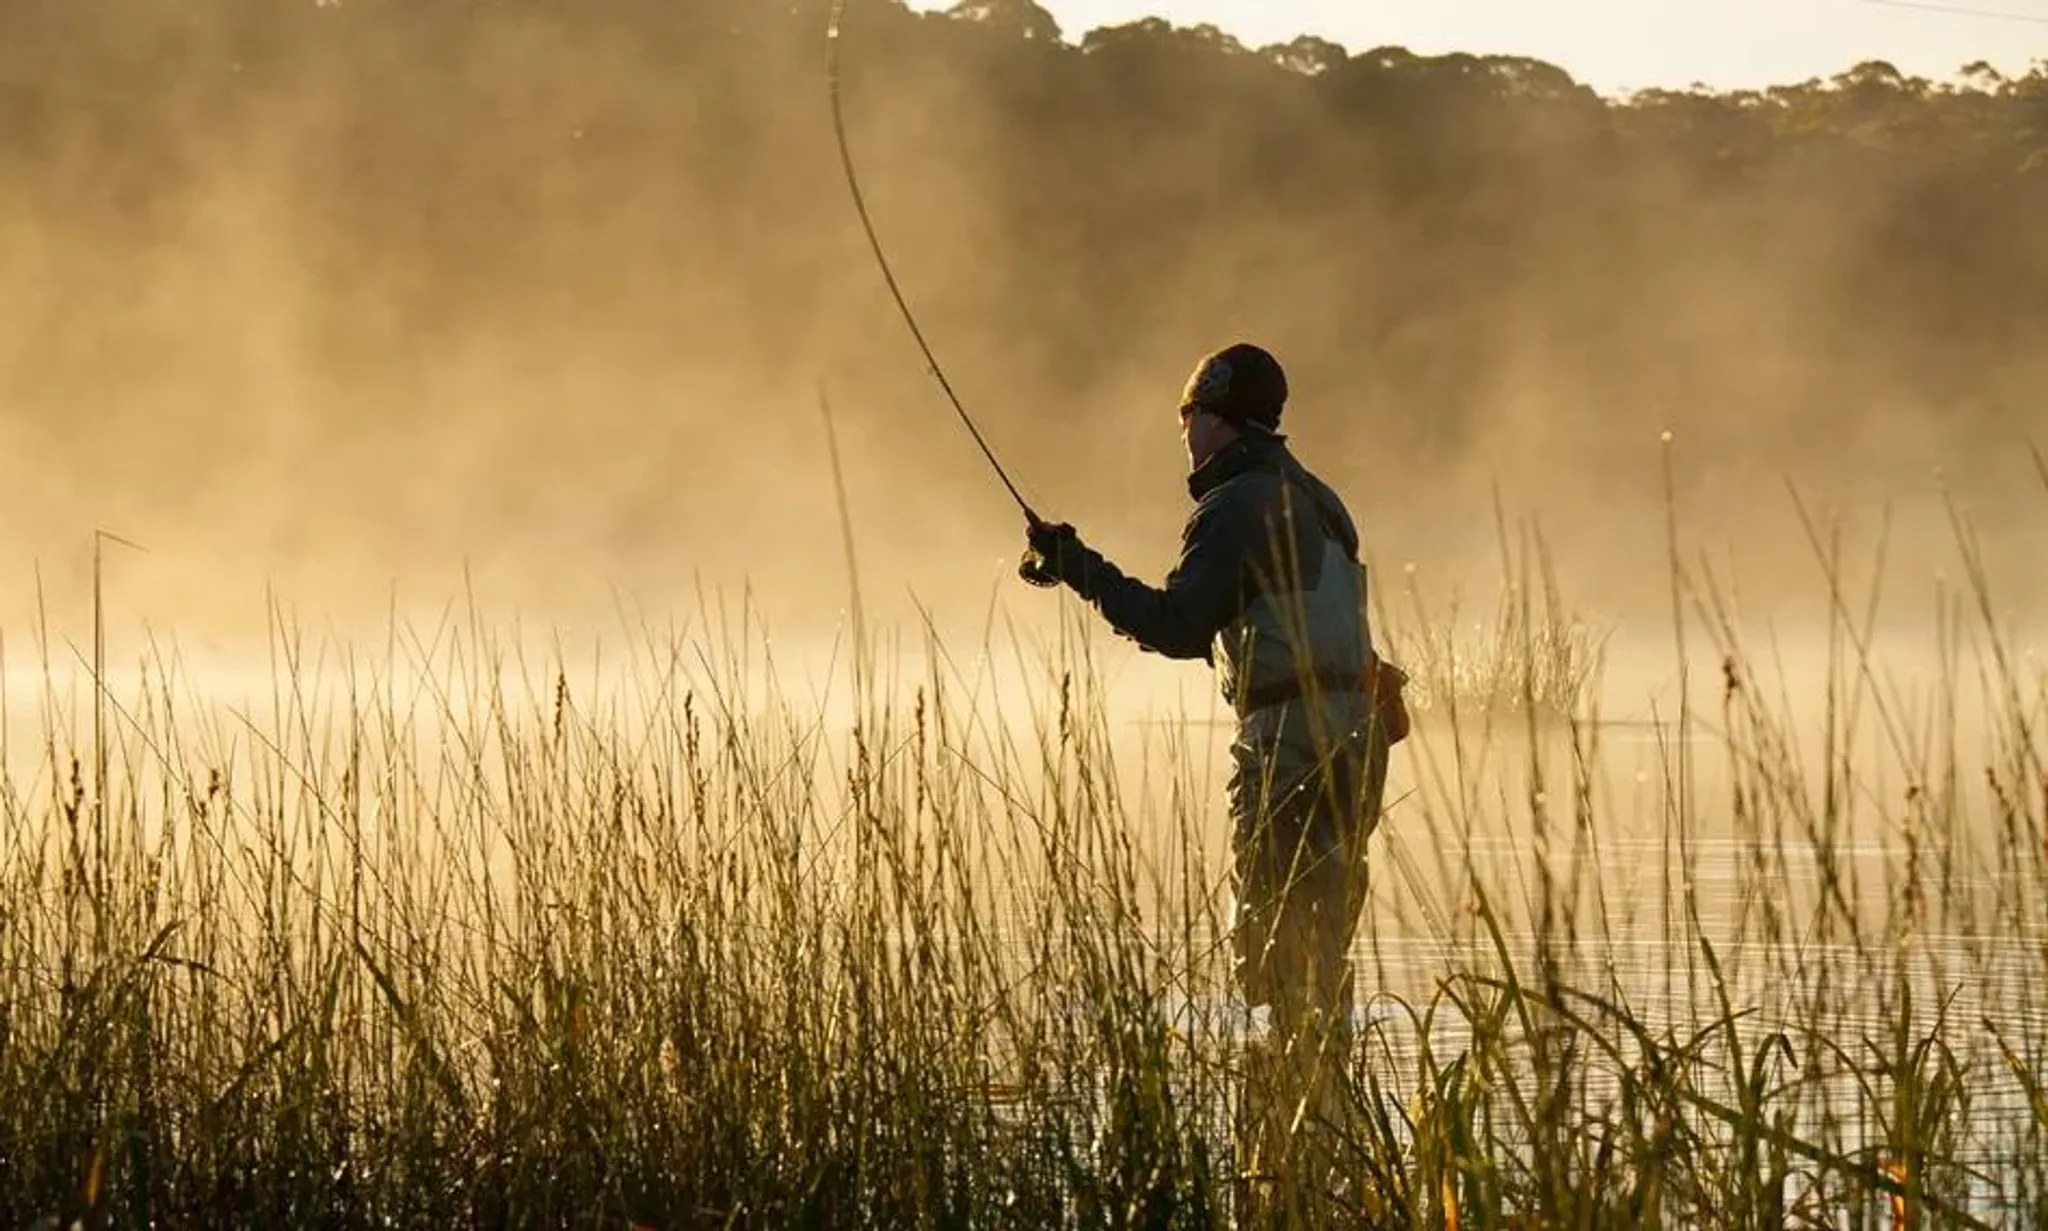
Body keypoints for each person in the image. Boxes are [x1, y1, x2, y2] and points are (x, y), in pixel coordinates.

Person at [1018, 342, 1404, 1205]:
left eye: (1187, 416)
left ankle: (1277, 1169)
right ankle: (1326, 1147)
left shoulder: (1238, 503)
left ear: (1215, 415)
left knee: (1270, 957)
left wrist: (1072, 561)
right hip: (1356, 743)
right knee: (1323, 950)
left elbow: (1181, 624)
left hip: (1290, 742)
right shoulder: (1322, 500)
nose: (1183, 434)